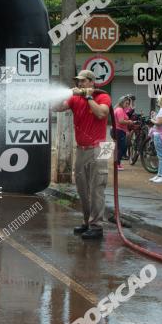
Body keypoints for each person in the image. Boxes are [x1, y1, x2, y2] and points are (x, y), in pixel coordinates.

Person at [53, 69, 112, 240]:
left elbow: (101, 113)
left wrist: (88, 97)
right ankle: (87, 222)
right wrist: (66, 94)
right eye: (78, 81)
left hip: (100, 147)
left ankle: (97, 226)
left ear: (92, 82)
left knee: (97, 188)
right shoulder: (74, 98)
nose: (80, 84)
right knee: (83, 189)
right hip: (81, 149)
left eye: (83, 81)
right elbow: (56, 107)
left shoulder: (102, 97)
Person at [113, 95, 135, 170]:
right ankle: (117, 164)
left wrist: (132, 102)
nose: (127, 105)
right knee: (121, 148)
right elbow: (121, 121)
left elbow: (130, 110)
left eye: (128, 103)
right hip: (119, 130)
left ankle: (117, 163)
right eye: (126, 103)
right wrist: (129, 122)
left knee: (120, 148)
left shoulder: (121, 109)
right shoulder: (119, 110)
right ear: (122, 102)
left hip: (119, 130)